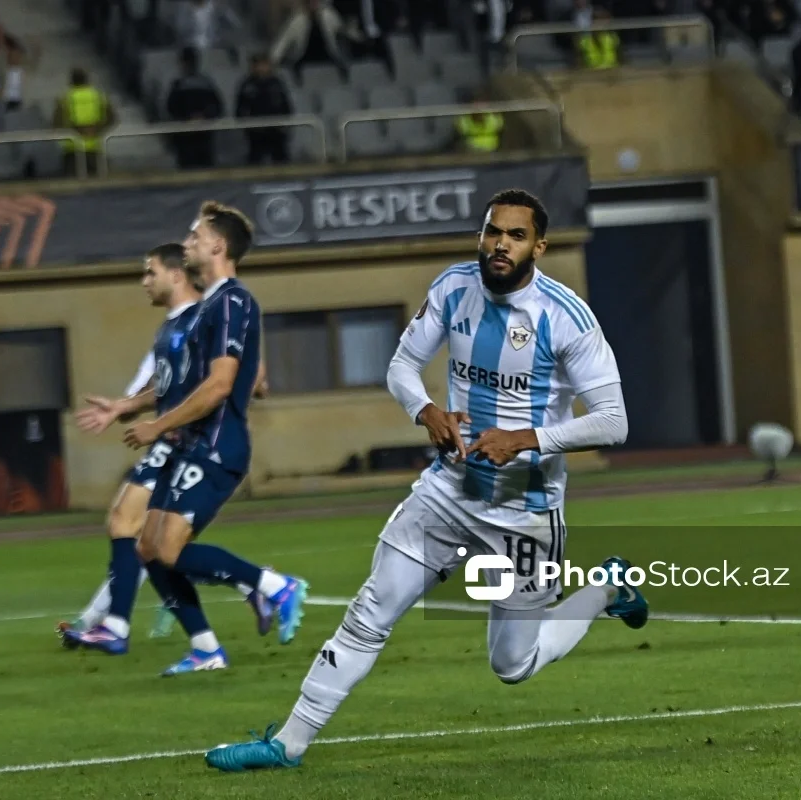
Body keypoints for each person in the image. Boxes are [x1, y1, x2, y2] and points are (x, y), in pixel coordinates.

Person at [203, 189, 645, 772]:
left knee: (512, 666)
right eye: (492, 232)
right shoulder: (452, 287)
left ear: (539, 246)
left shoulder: (566, 318)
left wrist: (524, 439)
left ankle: (606, 588)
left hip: (524, 510)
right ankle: (288, 743)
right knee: (370, 610)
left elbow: (614, 422)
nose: (500, 244)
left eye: (515, 236)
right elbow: (401, 367)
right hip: (446, 490)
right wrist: (425, 410)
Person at [63, 204, 309, 675]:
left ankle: (273, 586)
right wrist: (127, 407)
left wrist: (157, 425)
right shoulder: (204, 312)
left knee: (166, 548)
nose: (189, 242)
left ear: (217, 246)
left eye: (196, 236)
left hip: (216, 444)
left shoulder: (234, 301)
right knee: (147, 549)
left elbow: (219, 385)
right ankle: (205, 649)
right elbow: (182, 384)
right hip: (189, 444)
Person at [57, 243, 268, 644]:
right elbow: (167, 386)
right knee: (145, 540)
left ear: (175, 275)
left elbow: (241, 373)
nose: (144, 282)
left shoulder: (207, 314)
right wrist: (123, 407)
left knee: (138, 532)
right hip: (174, 436)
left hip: (190, 441)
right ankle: (202, 631)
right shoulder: (171, 325)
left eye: (149, 272)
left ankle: (114, 624)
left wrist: (248, 381)